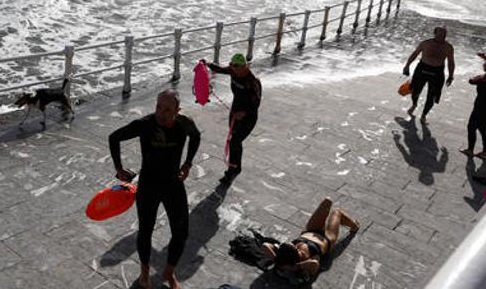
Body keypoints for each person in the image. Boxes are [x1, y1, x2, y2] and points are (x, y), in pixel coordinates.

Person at [108, 89, 201, 289]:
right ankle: (144, 273)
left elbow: (196, 137)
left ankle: (168, 271)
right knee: (145, 231)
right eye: (158, 107)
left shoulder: (184, 123)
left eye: (167, 109)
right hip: (149, 185)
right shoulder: (145, 124)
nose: (161, 112)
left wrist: (188, 164)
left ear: (178, 110)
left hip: (173, 184)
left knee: (181, 232)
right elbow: (113, 137)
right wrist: (119, 169)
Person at [261, 198, 359, 277]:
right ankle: (354, 225)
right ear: (297, 255)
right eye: (298, 250)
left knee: (327, 201)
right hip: (327, 238)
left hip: (311, 230)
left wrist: (276, 259)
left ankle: (349, 223)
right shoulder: (308, 258)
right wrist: (297, 267)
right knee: (337, 212)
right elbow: (315, 265)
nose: (297, 247)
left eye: (294, 246)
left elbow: (265, 245)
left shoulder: (283, 256)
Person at [206, 53, 262, 183]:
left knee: (234, 141)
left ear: (245, 66)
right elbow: (219, 69)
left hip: (249, 117)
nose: (233, 68)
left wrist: (244, 113)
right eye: (231, 65)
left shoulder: (252, 82)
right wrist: (207, 63)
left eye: (236, 66)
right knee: (235, 141)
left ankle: (230, 172)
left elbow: (256, 103)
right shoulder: (233, 71)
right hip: (234, 112)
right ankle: (237, 167)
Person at [403, 27, 455, 124]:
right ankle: (414, 104)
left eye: (444, 35)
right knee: (415, 91)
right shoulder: (426, 43)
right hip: (422, 68)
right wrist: (407, 66)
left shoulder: (448, 47)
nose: (442, 37)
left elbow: (451, 62)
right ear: (435, 34)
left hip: (437, 71)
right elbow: (414, 54)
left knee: (432, 96)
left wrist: (451, 75)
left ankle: (424, 115)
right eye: (440, 34)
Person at [459, 54, 486, 160]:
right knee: (484, 129)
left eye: (485, 65)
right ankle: (485, 152)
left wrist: (476, 77)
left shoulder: (485, 80)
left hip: (481, 107)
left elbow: (471, 81)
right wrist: (485, 58)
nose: (483, 66)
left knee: (471, 127)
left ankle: (470, 150)